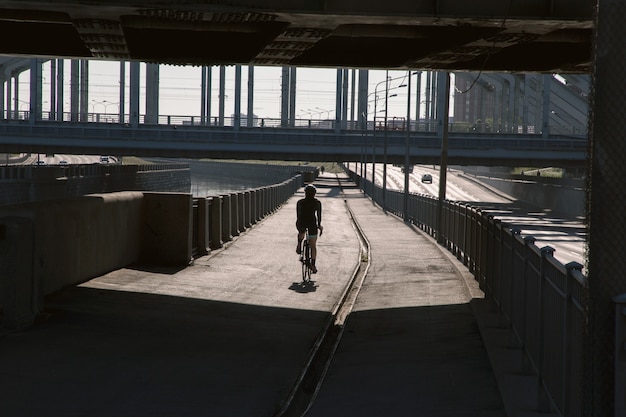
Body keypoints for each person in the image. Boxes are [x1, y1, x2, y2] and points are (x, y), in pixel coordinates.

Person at [296, 184, 323, 273]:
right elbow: (319, 216)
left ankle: (299, 243)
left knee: (301, 231)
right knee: (313, 245)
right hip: (312, 224)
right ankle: (313, 265)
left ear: (305, 193)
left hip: (301, 222)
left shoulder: (300, 202)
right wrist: (319, 225)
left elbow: (298, 215)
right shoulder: (317, 203)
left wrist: (300, 224)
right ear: (314, 194)